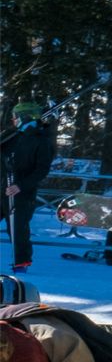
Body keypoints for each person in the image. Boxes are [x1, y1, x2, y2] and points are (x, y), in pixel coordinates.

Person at [3, 102, 57, 272]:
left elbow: (42, 170)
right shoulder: (11, 135)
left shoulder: (41, 140)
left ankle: (21, 263)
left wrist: (21, 185)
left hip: (21, 192)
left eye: (16, 117)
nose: (13, 120)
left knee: (18, 228)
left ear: (25, 117)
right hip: (2, 186)